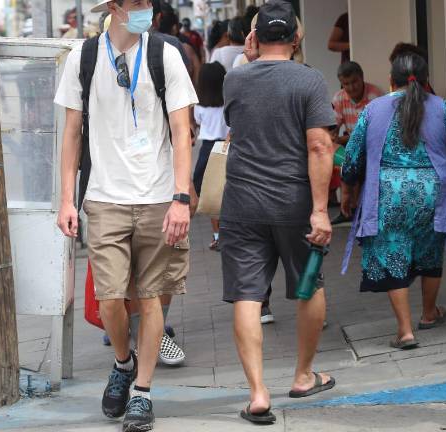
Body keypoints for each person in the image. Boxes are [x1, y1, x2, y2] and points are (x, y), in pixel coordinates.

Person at [54, 0, 198, 429]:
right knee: (111, 299)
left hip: (157, 197)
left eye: (148, 3)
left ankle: (142, 391)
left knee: (152, 297)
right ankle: (123, 362)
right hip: (104, 198)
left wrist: (181, 196)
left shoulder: (164, 54)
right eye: (136, 3)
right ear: (114, 8)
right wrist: (67, 198)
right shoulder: (83, 57)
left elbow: (181, 130)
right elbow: (72, 133)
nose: (145, 10)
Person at [221, 1, 335, 424]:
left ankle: (257, 393)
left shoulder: (235, 79)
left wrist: (249, 59)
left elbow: (247, 109)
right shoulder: (309, 80)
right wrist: (321, 211)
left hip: (242, 204)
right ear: (296, 37)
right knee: (308, 286)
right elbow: (320, 146)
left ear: (253, 38)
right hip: (294, 203)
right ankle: (304, 375)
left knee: (248, 294)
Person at [341, 53, 446, 351]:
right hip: (432, 191)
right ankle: (428, 313)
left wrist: (348, 187)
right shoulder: (441, 107)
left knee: (393, 252)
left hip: (389, 192)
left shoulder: (373, 110)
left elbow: (353, 158)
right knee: (430, 251)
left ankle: (405, 331)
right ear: (426, 80)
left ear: (391, 80)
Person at [331, 61, 383, 224]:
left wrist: (344, 139)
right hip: (352, 143)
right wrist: (333, 138)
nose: (351, 87)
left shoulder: (375, 96)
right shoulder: (339, 98)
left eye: (354, 82)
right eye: (346, 84)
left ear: (362, 79)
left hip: (373, 144)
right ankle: (347, 210)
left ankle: (356, 208)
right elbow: (334, 128)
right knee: (332, 151)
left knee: (359, 163)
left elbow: (374, 133)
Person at [192, 62, 228, 252]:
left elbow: (197, 123)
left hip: (208, 150)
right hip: (228, 147)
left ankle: (217, 236)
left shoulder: (199, 107)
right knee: (228, 192)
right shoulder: (228, 104)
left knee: (212, 195)